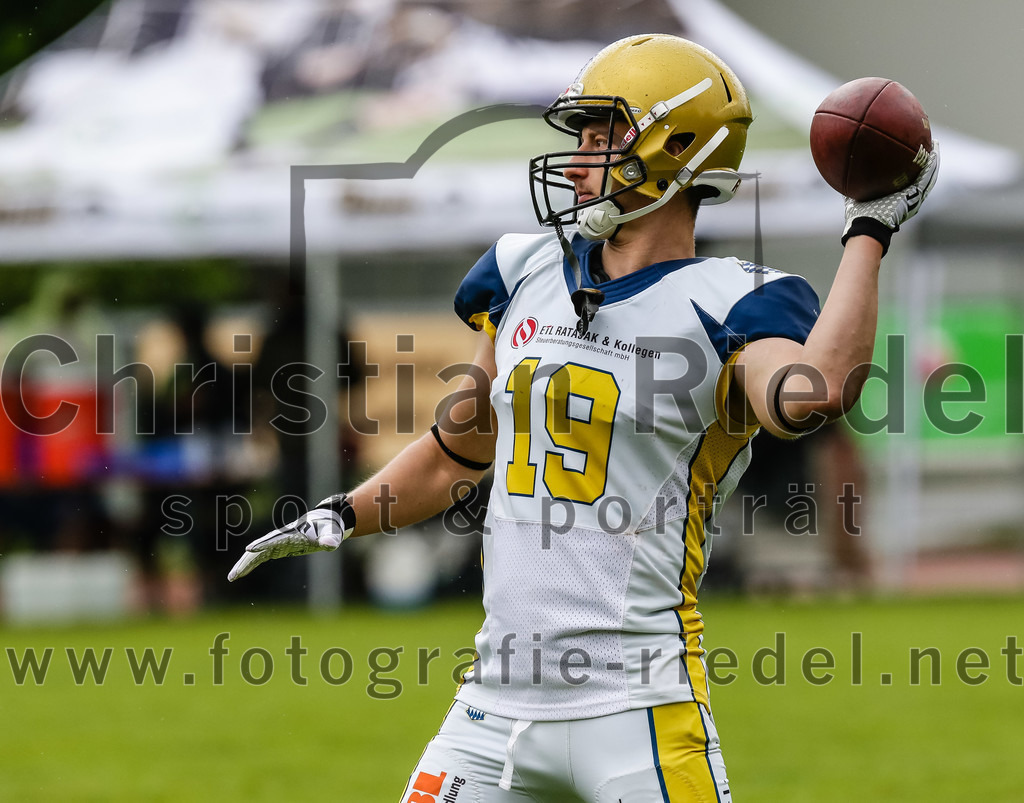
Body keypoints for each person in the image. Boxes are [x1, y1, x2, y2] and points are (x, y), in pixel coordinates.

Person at [228, 34, 938, 802]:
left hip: (637, 707)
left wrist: (869, 228)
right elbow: (454, 453)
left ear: (676, 147)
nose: (574, 162)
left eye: (602, 138)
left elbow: (817, 390)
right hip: (492, 707)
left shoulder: (733, 300)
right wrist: (341, 514)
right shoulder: (521, 270)